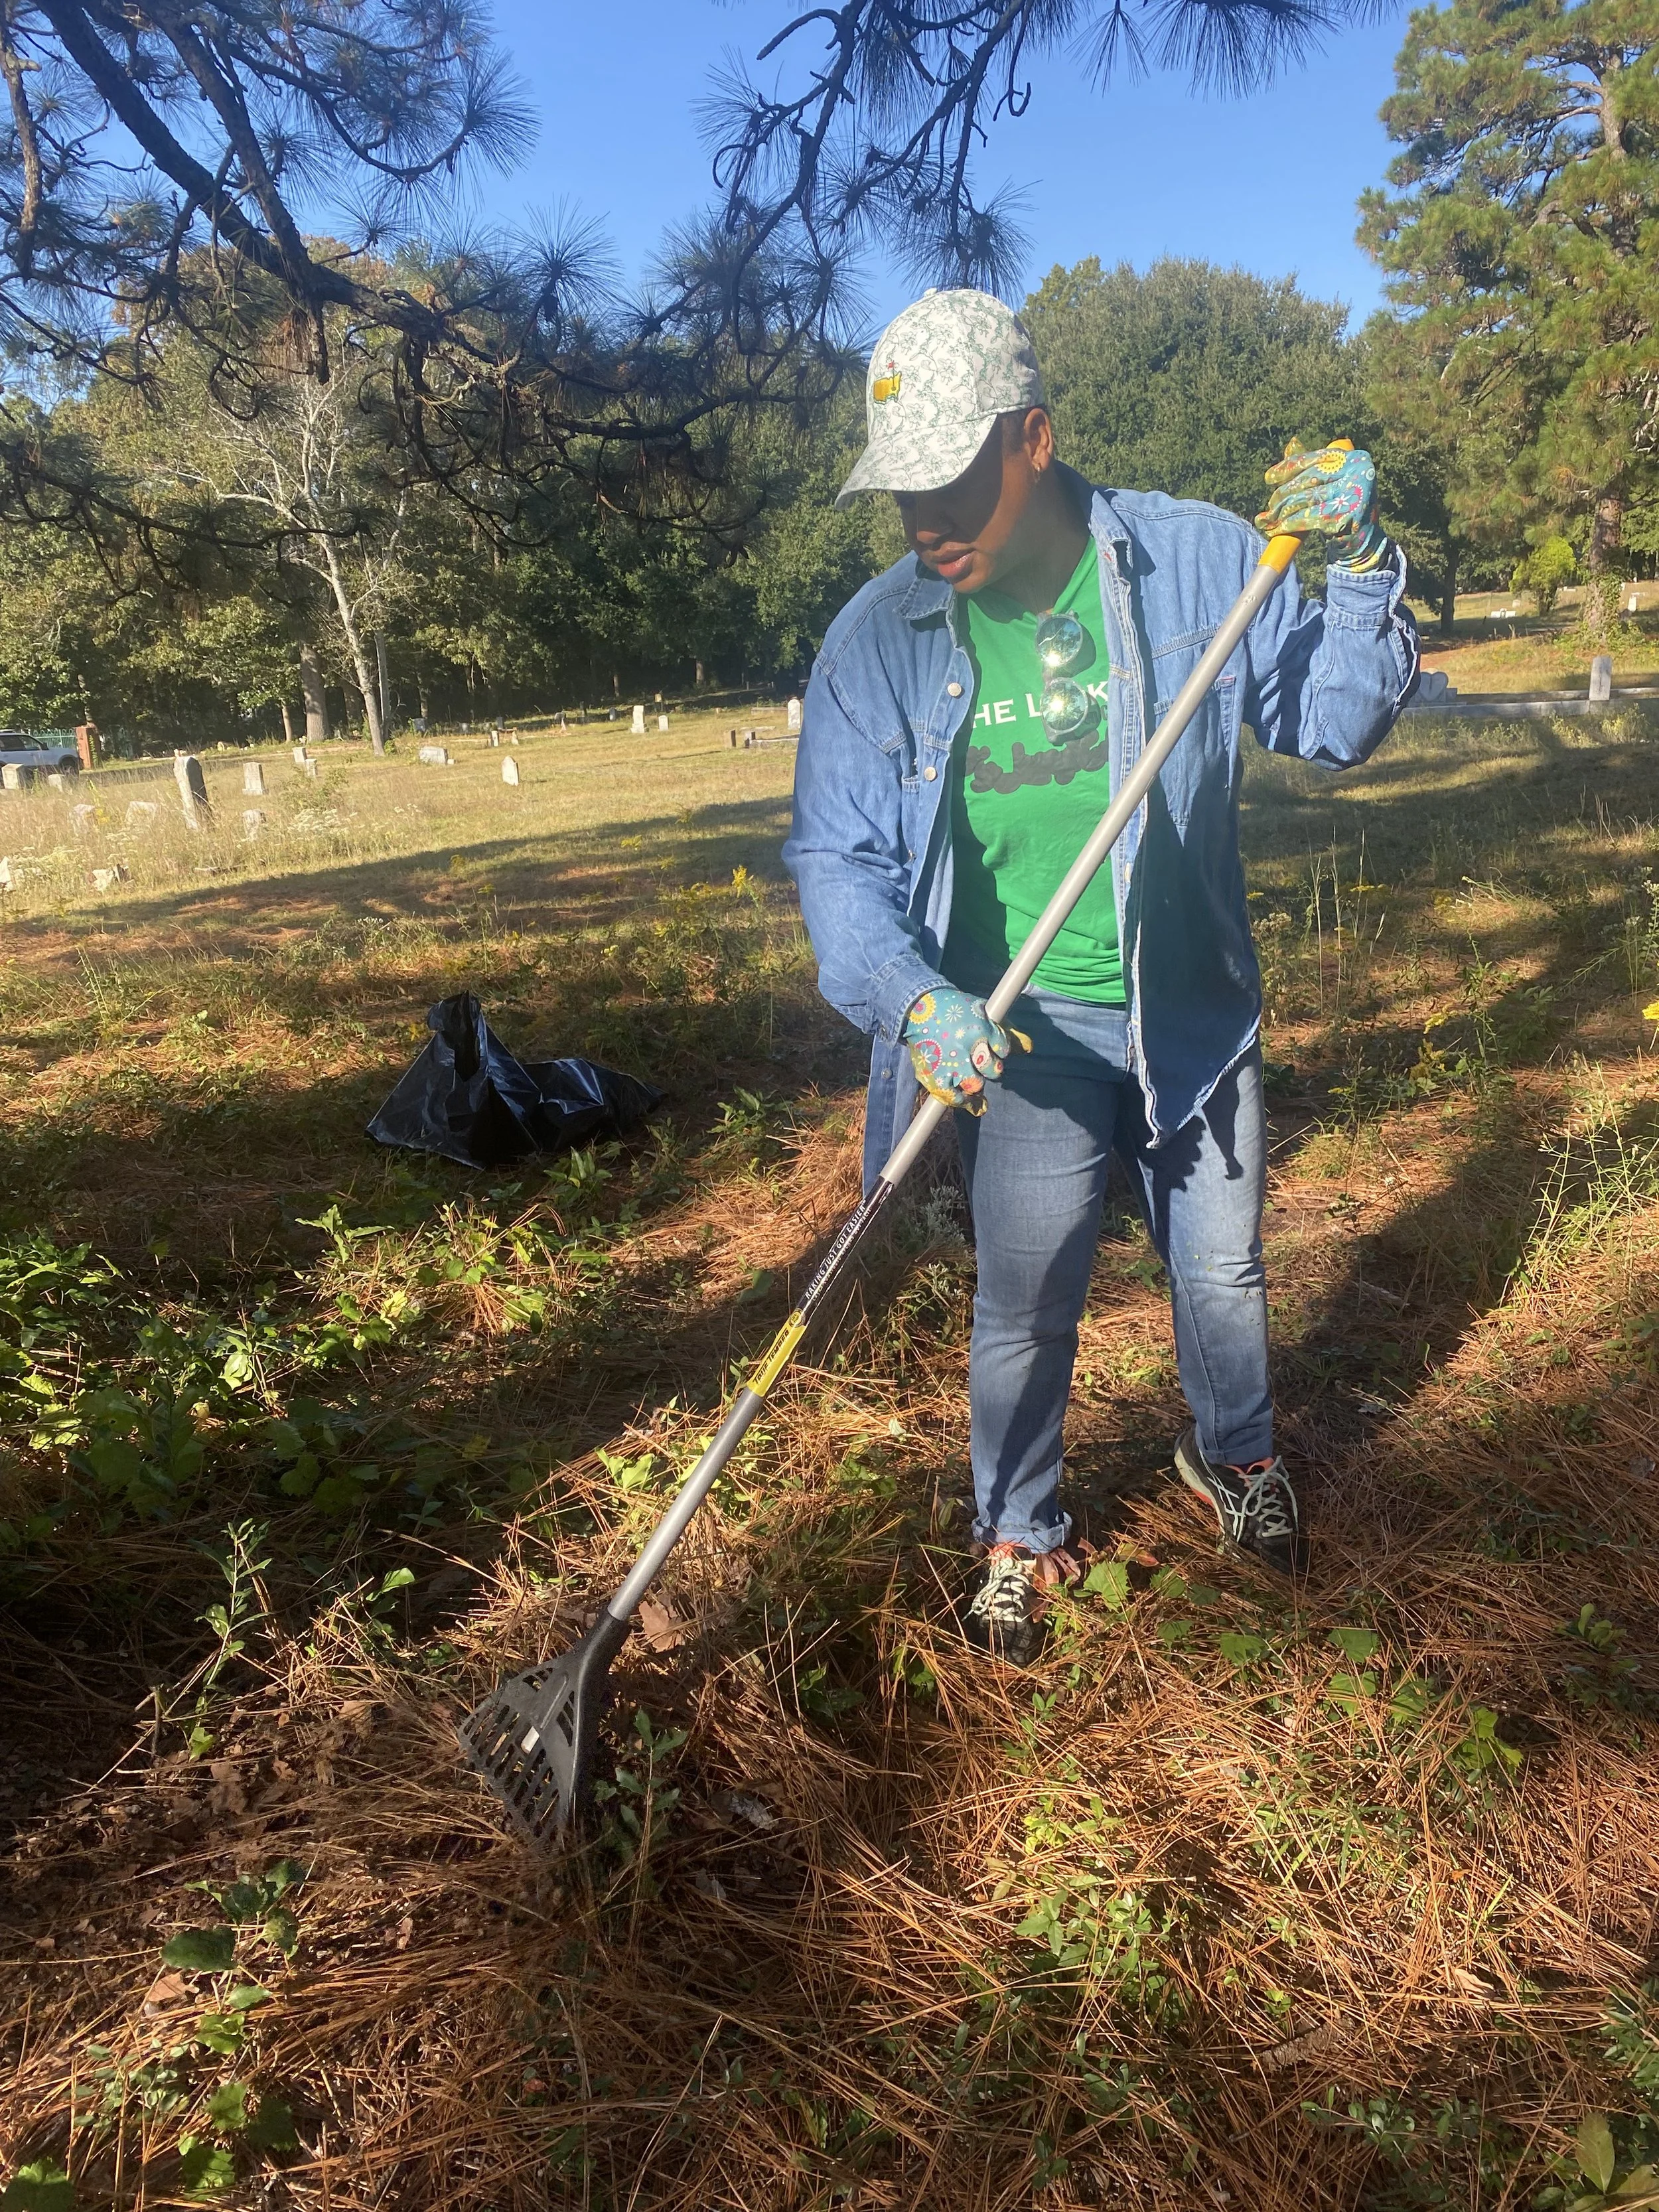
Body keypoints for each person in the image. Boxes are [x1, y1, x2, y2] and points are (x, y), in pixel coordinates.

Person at [782, 287, 1419, 1664]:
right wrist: (911, 995)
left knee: (1221, 1270)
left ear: (1031, 436)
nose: (924, 522)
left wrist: (1358, 565)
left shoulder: (1196, 563)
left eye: (950, 479)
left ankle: (1233, 1457)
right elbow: (833, 860)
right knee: (1024, 1294)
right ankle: (1015, 1526)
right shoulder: (875, 644)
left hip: (1182, 1003)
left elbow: (1332, 716)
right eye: (901, 493)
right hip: (1014, 1033)